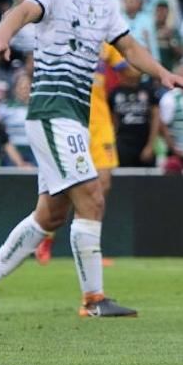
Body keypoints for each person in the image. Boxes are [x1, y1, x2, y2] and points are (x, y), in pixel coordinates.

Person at [0, 0, 183, 318]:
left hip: (73, 116)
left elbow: (130, 46)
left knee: (50, 213)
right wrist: (2, 35)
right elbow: (23, 11)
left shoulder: (103, 2)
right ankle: (94, 299)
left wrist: (163, 73)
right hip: (52, 110)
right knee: (92, 195)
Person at [35, 42, 127, 266]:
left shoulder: (109, 39)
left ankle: (91, 250)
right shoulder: (66, 34)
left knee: (102, 184)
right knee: (66, 189)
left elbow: (128, 69)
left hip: (100, 122)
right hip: (71, 118)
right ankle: (47, 236)